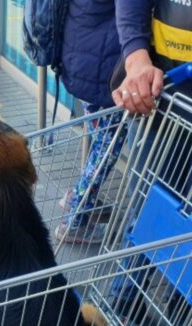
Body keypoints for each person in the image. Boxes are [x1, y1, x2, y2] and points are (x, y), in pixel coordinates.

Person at [108, 0, 192, 326]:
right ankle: (123, 302)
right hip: (162, 90)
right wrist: (136, 59)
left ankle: (180, 324)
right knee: (148, 204)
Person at [52, 0, 129, 245]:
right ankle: (74, 222)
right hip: (102, 71)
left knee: (101, 143)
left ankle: (79, 197)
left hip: (81, 63)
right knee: (107, 148)